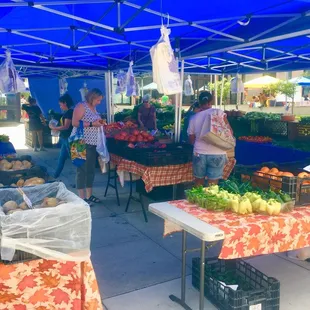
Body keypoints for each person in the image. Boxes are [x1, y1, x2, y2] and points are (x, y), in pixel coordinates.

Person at [188, 91, 233, 187]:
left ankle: (197, 201)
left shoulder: (194, 118)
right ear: (211, 102)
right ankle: (210, 201)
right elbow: (229, 132)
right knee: (213, 186)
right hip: (218, 153)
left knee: (198, 184)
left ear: (199, 103)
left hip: (200, 153)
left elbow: (191, 139)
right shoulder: (220, 113)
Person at [71, 88, 104, 204]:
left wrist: (99, 123)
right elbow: (74, 123)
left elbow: (94, 121)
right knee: (81, 170)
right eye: (98, 100)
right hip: (80, 142)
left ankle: (89, 195)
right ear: (92, 97)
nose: (99, 102)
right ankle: (82, 198)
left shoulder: (93, 108)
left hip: (92, 143)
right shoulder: (81, 106)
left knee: (90, 170)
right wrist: (92, 124)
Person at [49, 94, 74, 179]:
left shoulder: (69, 112)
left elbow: (66, 126)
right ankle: (55, 175)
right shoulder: (67, 112)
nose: (60, 106)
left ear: (65, 103)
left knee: (74, 159)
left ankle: (80, 179)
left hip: (68, 138)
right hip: (64, 138)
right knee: (61, 158)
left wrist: (54, 128)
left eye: (60, 104)